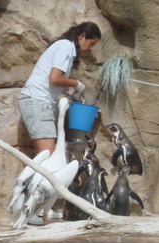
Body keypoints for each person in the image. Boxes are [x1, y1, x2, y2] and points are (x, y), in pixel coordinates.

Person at [18, 21, 101, 155]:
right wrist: (75, 83)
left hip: (37, 100)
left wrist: (65, 89)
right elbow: (55, 78)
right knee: (48, 154)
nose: (91, 48)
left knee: (43, 156)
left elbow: (51, 80)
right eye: (92, 43)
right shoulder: (66, 46)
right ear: (82, 36)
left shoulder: (65, 47)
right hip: (38, 100)